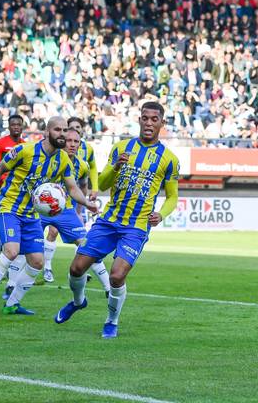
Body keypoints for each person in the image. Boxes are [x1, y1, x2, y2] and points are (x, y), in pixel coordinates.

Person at [54, 101, 180, 339]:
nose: (149, 123)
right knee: (76, 268)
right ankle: (78, 301)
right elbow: (101, 184)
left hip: (136, 226)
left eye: (155, 119)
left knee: (116, 275)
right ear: (139, 120)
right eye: (145, 118)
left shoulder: (169, 159)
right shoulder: (121, 148)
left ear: (162, 123)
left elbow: (173, 196)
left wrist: (161, 214)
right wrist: (115, 166)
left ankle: (111, 321)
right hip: (109, 221)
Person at [0, 116, 99, 316]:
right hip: (10, 208)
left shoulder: (63, 159)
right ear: (46, 132)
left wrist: (87, 203)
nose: (63, 134)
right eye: (58, 130)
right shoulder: (25, 151)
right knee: (12, 251)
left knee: (37, 262)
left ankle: (12, 304)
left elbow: (73, 188)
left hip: (32, 214)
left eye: (65, 130)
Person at [4, 129, 111, 298]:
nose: (72, 145)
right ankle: (11, 285)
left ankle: (108, 287)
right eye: (69, 141)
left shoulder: (82, 165)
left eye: (76, 142)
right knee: (26, 247)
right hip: (40, 209)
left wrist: (80, 209)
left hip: (66, 210)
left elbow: (81, 187)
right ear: (61, 141)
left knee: (86, 244)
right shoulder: (52, 158)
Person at [41, 116, 99, 283]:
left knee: (82, 240)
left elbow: (84, 180)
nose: (73, 138)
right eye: (70, 129)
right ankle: (47, 268)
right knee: (52, 232)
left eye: (78, 129)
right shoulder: (57, 153)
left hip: (73, 200)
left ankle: (80, 269)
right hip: (53, 199)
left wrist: (83, 206)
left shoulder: (86, 152)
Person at [0, 115, 25, 262]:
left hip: (20, 192)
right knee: (1, 225)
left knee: (20, 225)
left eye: (18, 124)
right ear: (9, 127)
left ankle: (14, 266)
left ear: (22, 127)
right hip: (2, 190)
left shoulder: (26, 146)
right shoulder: (0, 144)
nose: (16, 127)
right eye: (13, 125)